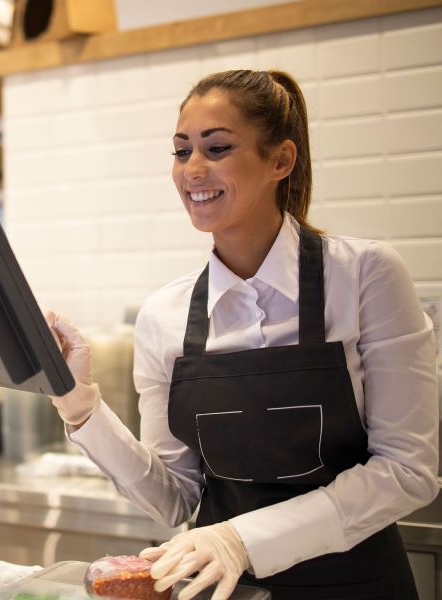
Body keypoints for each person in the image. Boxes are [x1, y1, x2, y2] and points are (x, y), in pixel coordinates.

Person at [45, 69, 438, 600]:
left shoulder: (365, 275)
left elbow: (408, 470)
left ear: (280, 160)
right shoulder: (164, 315)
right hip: (225, 590)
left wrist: (242, 538)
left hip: (357, 585)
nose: (193, 169)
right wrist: (81, 408)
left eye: (218, 148)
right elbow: (177, 499)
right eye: (181, 152)